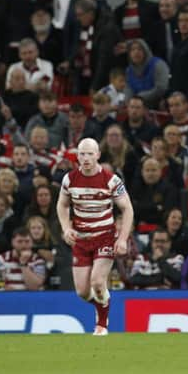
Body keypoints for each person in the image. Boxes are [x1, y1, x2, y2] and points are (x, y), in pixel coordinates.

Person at [56, 138, 134, 336]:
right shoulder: (69, 179)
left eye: (90, 153)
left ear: (98, 155)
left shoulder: (111, 180)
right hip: (81, 240)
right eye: (82, 154)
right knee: (82, 292)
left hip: (104, 237)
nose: (86, 158)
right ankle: (103, 304)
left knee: (98, 282)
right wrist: (66, 228)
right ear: (77, 156)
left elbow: (127, 209)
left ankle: (102, 324)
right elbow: (62, 205)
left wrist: (122, 238)